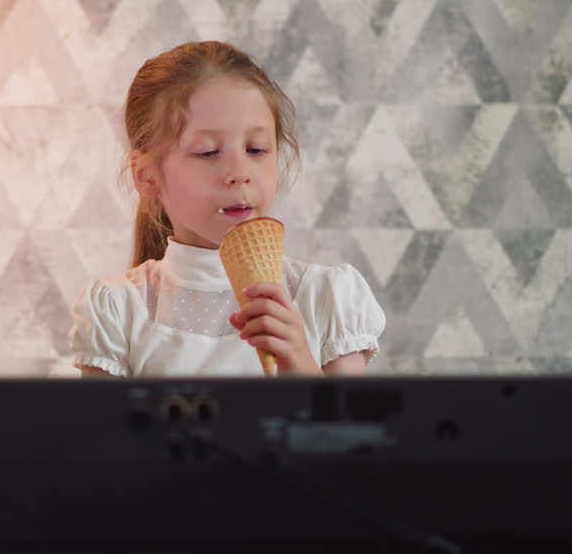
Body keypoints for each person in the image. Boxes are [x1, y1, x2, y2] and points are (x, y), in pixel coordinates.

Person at [69, 41, 385, 377]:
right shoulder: (117, 310)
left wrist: (300, 362)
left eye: (256, 149)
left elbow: (349, 429)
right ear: (148, 177)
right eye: (207, 152)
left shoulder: (327, 298)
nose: (239, 173)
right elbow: (104, 431)